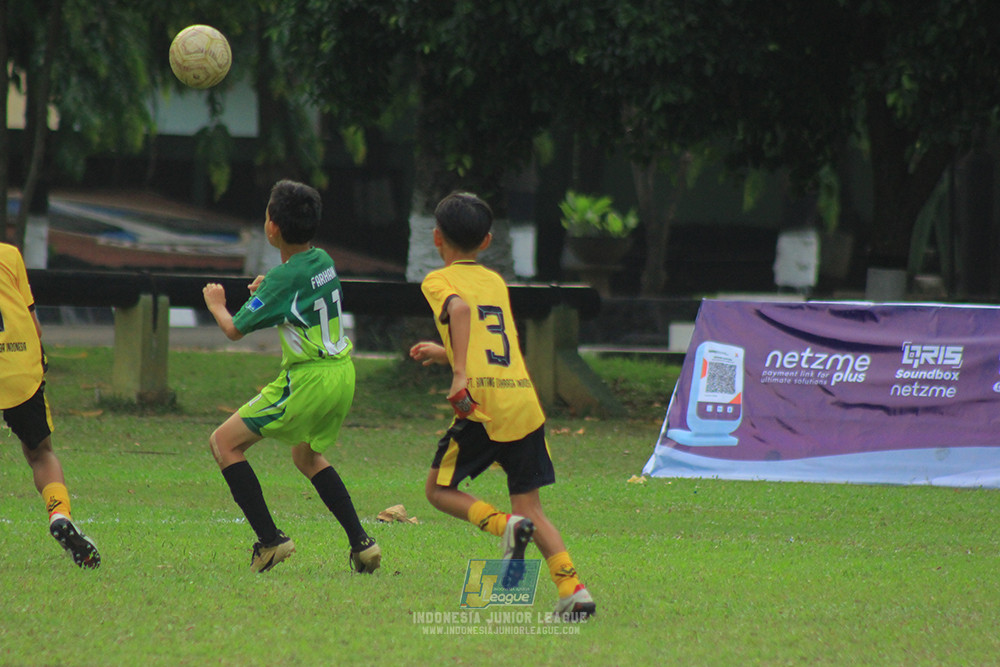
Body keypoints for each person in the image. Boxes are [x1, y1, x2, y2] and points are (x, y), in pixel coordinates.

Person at [408, 191, 596, 620]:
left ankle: (503, 526)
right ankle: (574, 591)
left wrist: (458, 375)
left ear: (437, 238)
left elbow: (458, 311)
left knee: (437, 490)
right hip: (522, 401)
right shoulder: (494, 281)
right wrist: (448, 354)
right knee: (532, 507)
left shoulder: (438, 281)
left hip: (483, 406)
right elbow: (491, 338)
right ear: (488, 241)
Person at [202, 179, 380, 574]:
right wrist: (272, 286)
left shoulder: (284, 279)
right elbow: (301, 292)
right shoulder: (322, 260)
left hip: (309, 379)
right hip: (342, 374)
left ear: (272, 228)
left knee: (223, 443)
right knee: (306, 455)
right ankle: (362, 545)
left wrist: (216, 304)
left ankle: (270, 541)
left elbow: (234, 329)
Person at [1, 242, 100, 569]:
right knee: (40, 452)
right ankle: (59, 514)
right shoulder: (9, 255)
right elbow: (35, 326)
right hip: (17, 365)